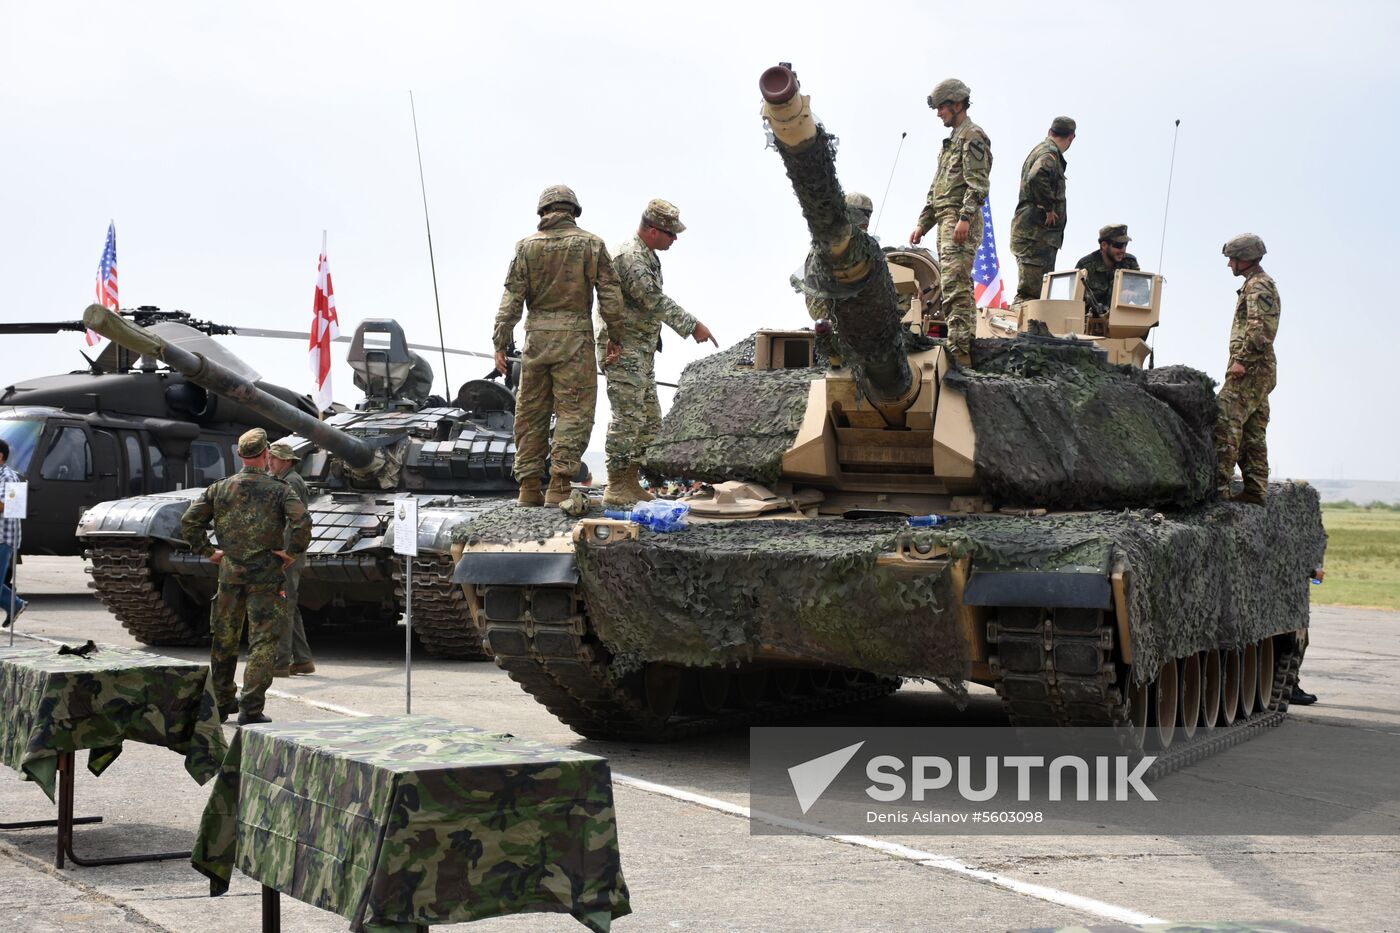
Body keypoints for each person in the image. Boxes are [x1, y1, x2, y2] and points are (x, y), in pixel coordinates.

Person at [495, 185, 626, 507]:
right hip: (575, 339)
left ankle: (527, 487)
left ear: (543, 211)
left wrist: (500, 342)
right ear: (574, 211)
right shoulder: (591, 244)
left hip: (535, 340)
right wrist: (616, 335)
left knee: (529, 412)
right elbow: (610, 294)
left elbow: (511, 298)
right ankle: (559, 485)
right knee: (574, 412)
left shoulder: (525, 247)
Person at [181, 428, 310, 725]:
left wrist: (208, 551)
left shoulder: (221, 488)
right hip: (267, 577)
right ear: (266, 454)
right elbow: (301, 520)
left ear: (240, 455)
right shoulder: (279, 489)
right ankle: (251, 709)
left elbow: (189, 521)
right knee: (263, 643)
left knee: (224, 640)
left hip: (229, 576)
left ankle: (223, 702)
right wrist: (291, 552)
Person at [600, 199, 717, 508]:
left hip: (641, 349)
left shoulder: (648, 254)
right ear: (652, 231)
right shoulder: (632, 256)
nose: (674, 239)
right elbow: (653, 300)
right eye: (670, 234)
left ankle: (629, 481)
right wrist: (693, 326)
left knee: (650, 421)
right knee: (628, 418)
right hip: (623, 348)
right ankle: (614, 485)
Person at [909, 78, 991, 366]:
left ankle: (961, 352)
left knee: (957, 287)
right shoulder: (951, 141)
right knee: (949, 286)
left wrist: (965, 218)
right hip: (945, 221)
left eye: (942, 107)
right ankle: (957, 344)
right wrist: (923, 223)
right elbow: (937, 188)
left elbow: (978, 184)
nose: (939, 113)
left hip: (958, 222)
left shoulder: (972, 137)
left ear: (957, 105)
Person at [1215, 233, 1280, 506]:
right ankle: (1255, 490)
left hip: (1251, 368)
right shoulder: (1254, 285)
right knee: (1253, 429)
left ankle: (1218, 488)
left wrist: (1241, 360)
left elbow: (1260, 330)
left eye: (1233, 259)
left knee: (1225, 418)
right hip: (1257, 368)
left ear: (1246, 259)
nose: (1229, 264)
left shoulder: (1259, 287)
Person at [1010, 116, 1075, 304]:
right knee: (1029, 295)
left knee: (1037, 295)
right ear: (1072, 137)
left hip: (1038, 236)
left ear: (1050, 132)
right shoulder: (1049, 154)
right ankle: (1024, 332)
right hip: (1035, 235)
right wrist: (1048, 207)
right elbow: (1036, 176)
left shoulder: (1044, 150)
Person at [267, 441, 315, 677]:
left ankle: (280, 662)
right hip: (289, 552)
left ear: (285, 460)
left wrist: (286, 551)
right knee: (289, 605)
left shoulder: (291, 481)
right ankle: (303, 659)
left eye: (274, 458)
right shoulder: (286, 479)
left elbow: (296, 521)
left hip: (288, 554)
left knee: (283, 604)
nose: (270, 462)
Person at [1075, 224, 1140, 312]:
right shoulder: (1085, 266)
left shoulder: (1129, 263)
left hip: (1120, 320)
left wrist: (1134, 294)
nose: (1123, 250)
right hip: (1089, 322)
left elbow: (1145, 294)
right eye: (1119, 245)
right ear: (1104, 245)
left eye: (1125, 245)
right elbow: (1075, 301)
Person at [0, 439, 27, 627]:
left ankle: (15, 604)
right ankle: (15, 604)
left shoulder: (8, 477)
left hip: (3, 537)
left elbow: (5, 505)